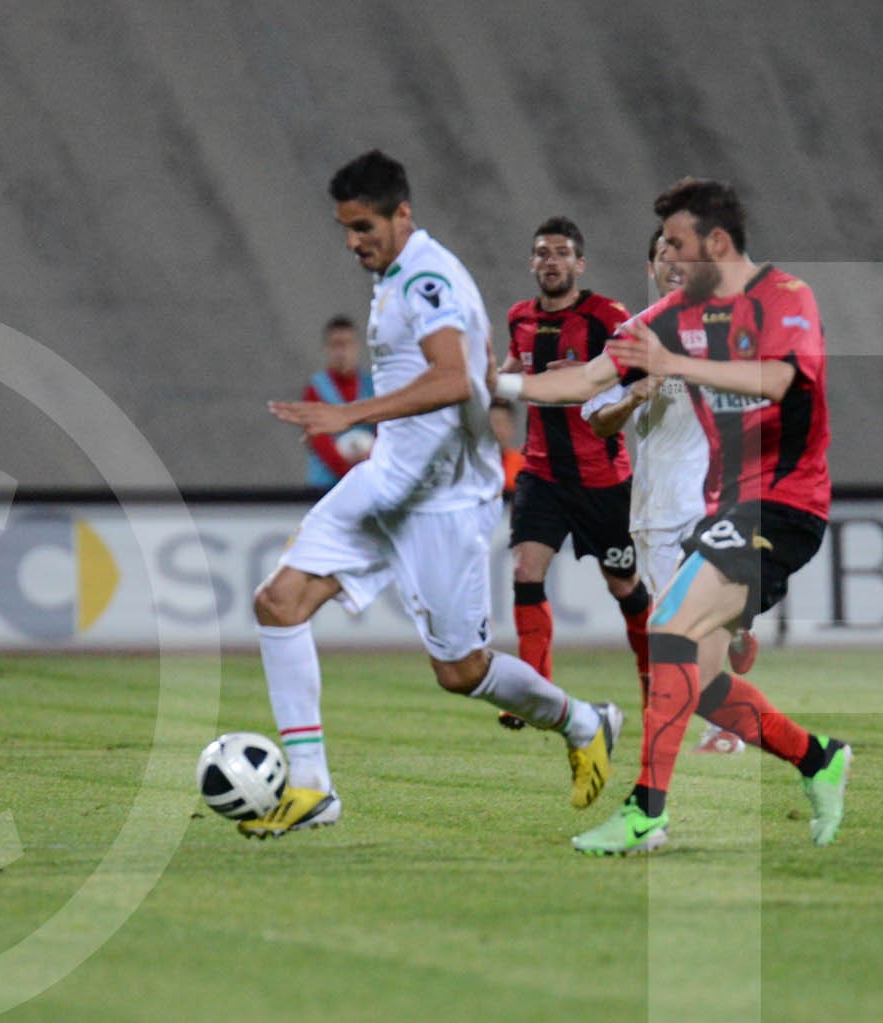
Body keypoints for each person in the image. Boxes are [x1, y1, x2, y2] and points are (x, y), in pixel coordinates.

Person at [258, 150, 623, 839]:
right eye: (344, 228)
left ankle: (584, 721)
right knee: (277, 604)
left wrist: (352, 413)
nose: (352, 241)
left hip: (443, 502)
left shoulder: (425, 276)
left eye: (363, 225)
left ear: (403, 214)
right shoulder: (399, 274)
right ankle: (311, 789)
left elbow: (455, 378)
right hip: (386, 484)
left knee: (460, 673)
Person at [497, 177, 851, 855]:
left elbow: (779, 379)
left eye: (678, 245)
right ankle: (818, 758)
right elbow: (588, 381)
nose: (667, 256)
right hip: (720, 510)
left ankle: (644, 816)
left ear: (716, 243)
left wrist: (674, 363)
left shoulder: (784, 297)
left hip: (783, 501)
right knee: (707, 684)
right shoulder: (669, 315)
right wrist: (497, 382)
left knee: (667, 629)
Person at [582, 227, 747, 755]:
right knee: (673, 626)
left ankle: (719, 730)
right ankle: (734, 635)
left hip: (713, 501)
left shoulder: (723, 331)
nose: (674, 261)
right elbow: (599, 422)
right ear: (649, 266)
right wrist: (633, 398)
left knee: (683, 626)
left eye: (685, 253)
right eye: (663, 253)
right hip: (655, 508)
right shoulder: (630, 338)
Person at [499, 217, 651, 725]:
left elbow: (641, 374)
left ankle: (656, 686)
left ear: (579, 264)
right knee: (526, 571)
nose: (551, 261)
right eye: (542, 253)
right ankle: (532, 693)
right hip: (541, 475)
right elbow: (512, 371)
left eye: (561, 253)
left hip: (602, 481)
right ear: (532, 263)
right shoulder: (519, 317)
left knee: (624, 586)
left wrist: (590, 381)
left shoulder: (609, 316)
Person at [299, 316, 376, 489]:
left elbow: (384, 430)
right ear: (327, 348)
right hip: (326, 482)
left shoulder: (372, 387)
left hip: (367, 479)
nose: (342, 352)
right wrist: (347, 470)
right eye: (336, 345)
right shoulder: (316, 388)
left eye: (347, 344)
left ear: (356, 347)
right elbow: (318, 438)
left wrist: (370, 458)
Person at [487, 396, 526, 496]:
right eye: (495, 423)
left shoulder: (521, 465)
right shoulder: (474, 464)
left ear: (512, 427)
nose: (499, 430)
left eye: (504, 423)